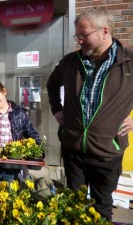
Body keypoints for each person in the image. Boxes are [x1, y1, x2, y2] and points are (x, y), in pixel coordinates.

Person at [46, 8, 133, 221]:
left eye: (84, 35)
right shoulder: (70, 62)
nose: (80, 41)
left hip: (107, 150)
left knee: (101, 205)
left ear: (104, 31)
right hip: (73, 148)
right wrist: (57, 109)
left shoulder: (129, 61)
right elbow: (52, 84)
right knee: (74, 202)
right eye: (78, 36)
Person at [0, 79, 41, 208]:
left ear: (4, 91)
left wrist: (35, 149)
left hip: (13, 168)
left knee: (11, 204)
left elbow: (33, 135)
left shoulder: (19, 114)